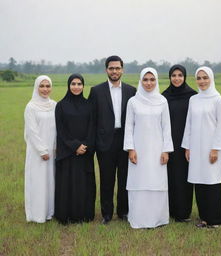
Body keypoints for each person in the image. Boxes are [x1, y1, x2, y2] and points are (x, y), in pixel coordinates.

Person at [123, 67, 174, 229]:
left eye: (152, 80)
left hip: (157, 150)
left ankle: (158, 219)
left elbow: (167, 127)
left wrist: (166, 150)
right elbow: (129, 127)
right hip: (138, 150)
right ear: (140, 81)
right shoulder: (133, 101)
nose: (149, 83)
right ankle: (139, 219)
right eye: (145, 79)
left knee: (156, 181)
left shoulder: (162, 101)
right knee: (139, 181)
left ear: (156, 81)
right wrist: (131, 148)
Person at [88, 56, 136, 224]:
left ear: (122, 69)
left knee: (125, 178)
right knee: (107, 180)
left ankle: (123, 212)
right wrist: (94, 144)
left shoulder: (132, 91)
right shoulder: (96, 91)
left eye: (117, 68)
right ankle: (107, 214)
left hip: (125, 142)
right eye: (111, 68)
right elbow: (91, 119)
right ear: (106, 70)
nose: (114, 71)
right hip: (104, 143)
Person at [182, 66, 221, 228]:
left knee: (213, 183)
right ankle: (204, 219)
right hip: (196, 148)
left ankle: (216, 220)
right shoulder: (193, 99)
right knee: (199, 183)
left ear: (211, 79)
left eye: (205, 78)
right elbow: (188, 124)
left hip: (211, 149)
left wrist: (216, 148)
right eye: (199, 78)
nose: (202, 81)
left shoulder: (218, 100)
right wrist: (187, 147)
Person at [54, 74, 96, 224]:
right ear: (68, 85)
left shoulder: (89, 105)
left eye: (79, 84)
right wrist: (74, 146)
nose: (76, 87)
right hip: (68, 152)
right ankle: (66, 215)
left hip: (85, 152)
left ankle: (84, 215)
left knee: (84, 184)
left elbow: (92, 128)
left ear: (83, 86)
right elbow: (61, 130)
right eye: (73, 84)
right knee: (67, 184)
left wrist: (84, 146)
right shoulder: (61, 105)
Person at [162, 65, 197, 222]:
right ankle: (170, 211)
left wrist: (190, 144)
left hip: (187, 144)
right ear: (169, 77)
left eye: (180, 75)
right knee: (170, 177)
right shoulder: (163, 97)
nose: (176, 78)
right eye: (173, 75)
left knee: (184, 177)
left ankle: (183, 213)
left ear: (185, 77)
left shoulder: (193, 97)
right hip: (168, 143)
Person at [24, 75, 56, 223]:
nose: (45, 89)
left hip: (53, 150)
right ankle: (37, 215)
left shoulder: (54, 105)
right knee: (38, 182)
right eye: (42, 86)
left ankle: (50, 212)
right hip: (38, 152)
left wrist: (55, 148)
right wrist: (42, 151)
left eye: (48, 86)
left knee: (50, 182)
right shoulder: (31, 107)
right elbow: (32, 131)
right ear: (37, 87)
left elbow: (57, 129)